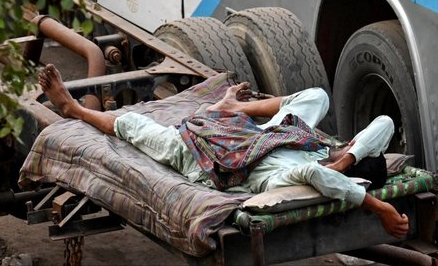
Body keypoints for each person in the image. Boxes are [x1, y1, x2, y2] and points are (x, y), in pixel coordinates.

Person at [38, 63, 409, 238]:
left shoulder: (304, 176)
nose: (341, 148)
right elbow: (385, 125)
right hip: (255, 132)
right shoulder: (321, 152)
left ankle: (73, 108)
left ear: (344, 172)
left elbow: (318, 174)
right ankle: (230, 108)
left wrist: (379, 206)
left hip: (209, 160)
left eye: (345, 155)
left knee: (137, 128)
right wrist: (349, 154)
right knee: (317, 96)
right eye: (346, 148)